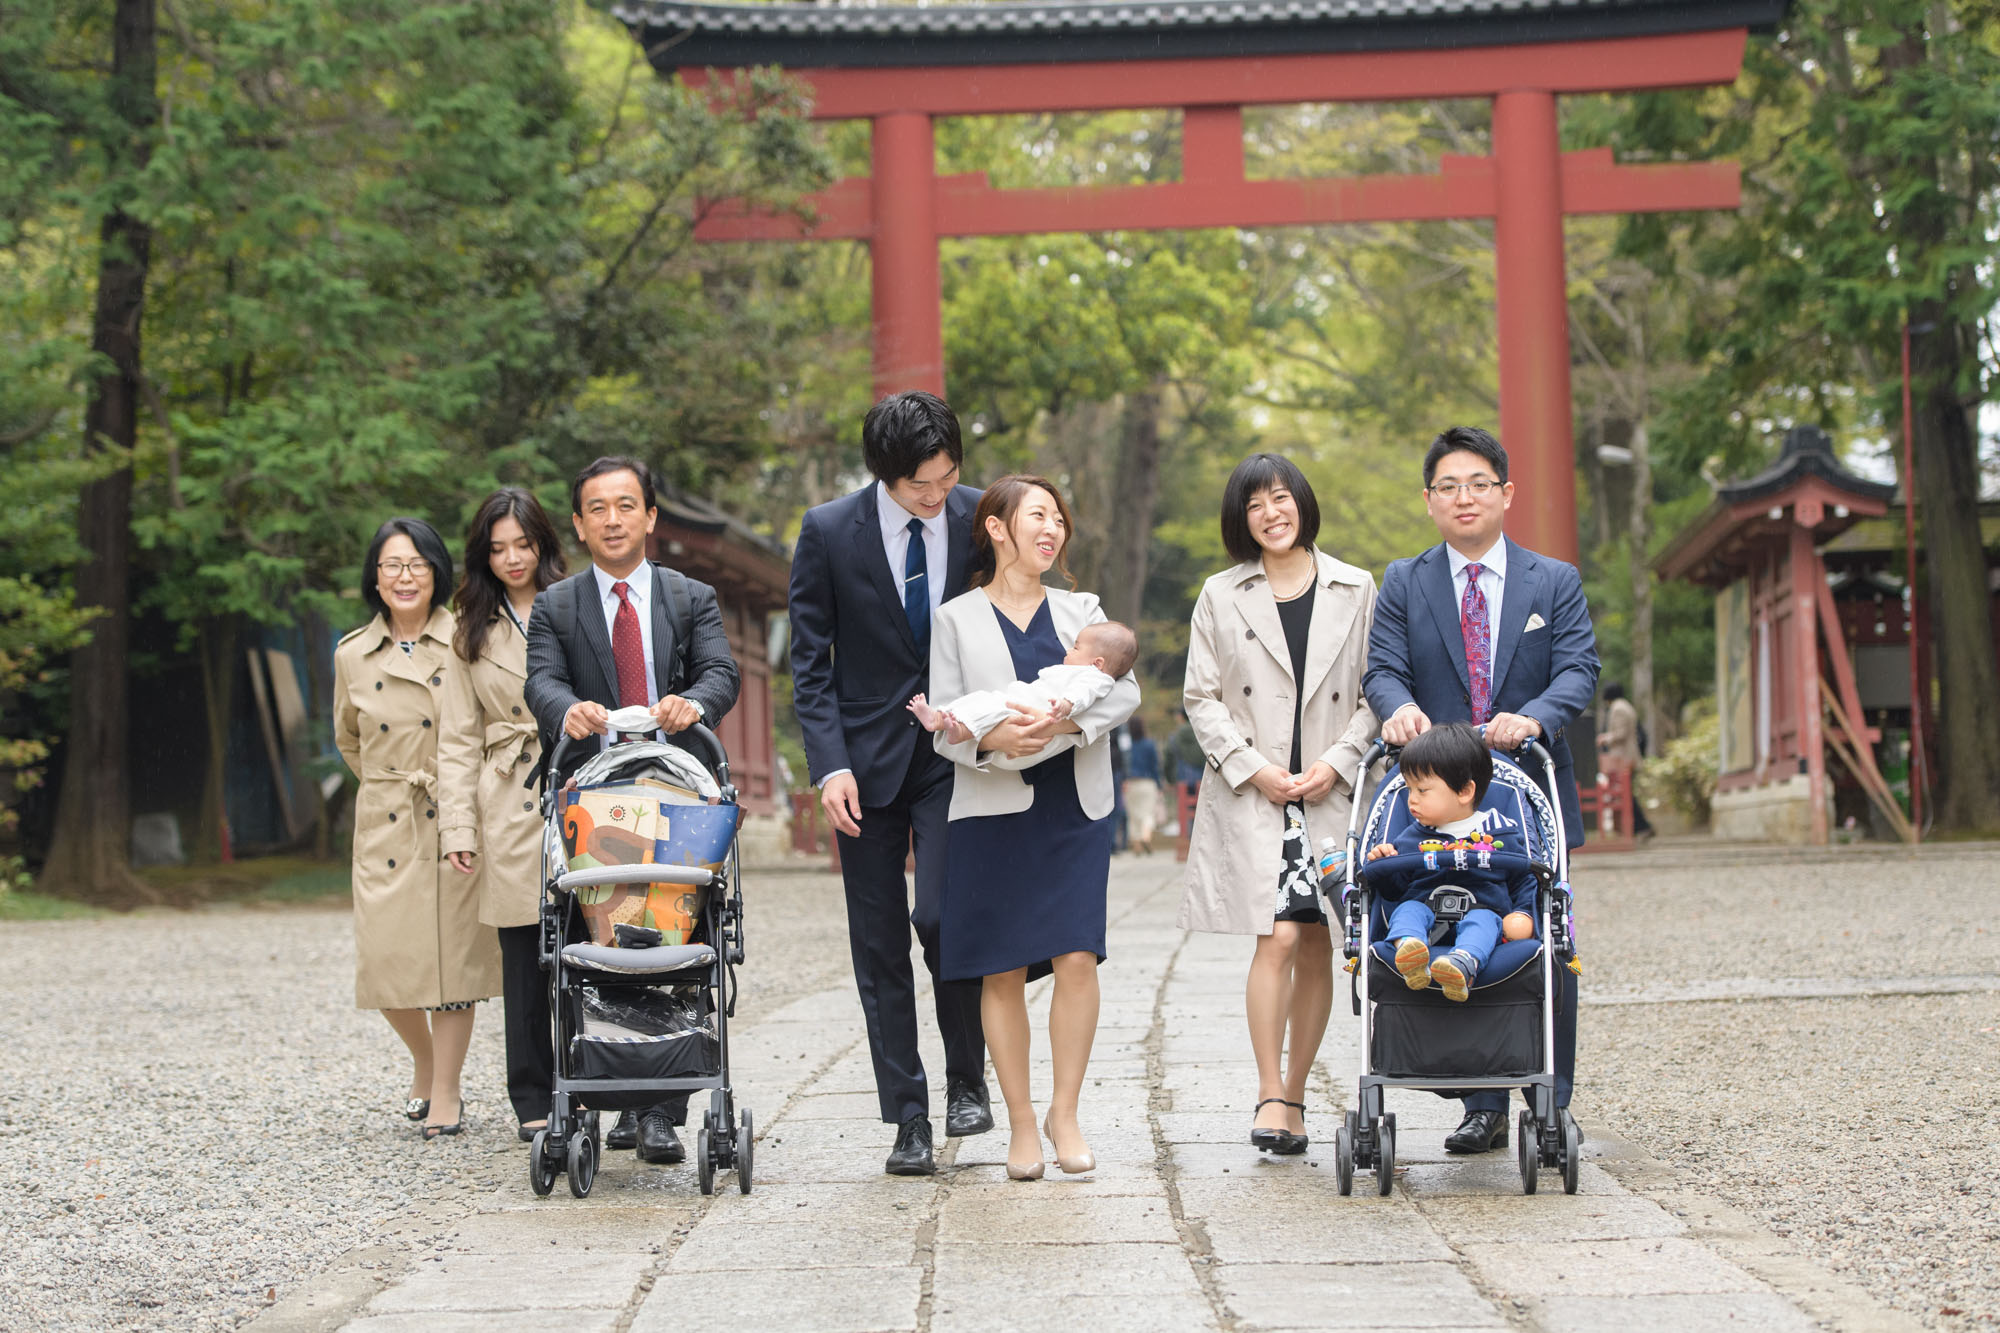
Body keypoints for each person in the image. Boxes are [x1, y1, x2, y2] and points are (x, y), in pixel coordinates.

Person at [1362, 424, 1599, 1155]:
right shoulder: (1405, 580)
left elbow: (1578, 670)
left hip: (1524, 790)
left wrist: (1534, 717)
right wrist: (1397, 705)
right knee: (1438, 922)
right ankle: (1481, 1100)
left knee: (1540, 932)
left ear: (1506, 493)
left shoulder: (1552, 581)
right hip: (1432, 795)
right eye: (1448, 486)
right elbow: (1382, 668)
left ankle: (1549, 1101)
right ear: (1429, 500)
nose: (1464, 497)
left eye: (1478, 484)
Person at [787, 391, 991, 1177]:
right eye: (918, 486)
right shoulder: (829, 531)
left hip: (952, 755)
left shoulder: (982, 517)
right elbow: (810, 661)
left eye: (945, 477)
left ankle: (967, 1077)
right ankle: (907, 1113)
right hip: (861, 766)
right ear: (883, 474)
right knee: (877, 945)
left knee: (943, 917)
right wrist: (828, 765)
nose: (935, 495)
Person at [522, 456, 741, 1167]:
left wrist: (694, 703)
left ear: (650, 515)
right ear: (579, 524)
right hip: (594, 793)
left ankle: (660, 1108)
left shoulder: (689, 596)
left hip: (676, 790)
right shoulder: (556, 605)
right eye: (597, 508)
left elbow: (720, 671)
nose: (613, 519)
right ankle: (605, 1086)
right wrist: (569, 711)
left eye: (626, 505)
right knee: (600, 931)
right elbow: (542, 682)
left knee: (671, 931)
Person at [931, 475, 1140, 1180]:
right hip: (993, 807)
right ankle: (1021, 1123)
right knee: (1003, 968)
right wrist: (991, 745)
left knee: (1079, 955)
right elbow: (945, 727)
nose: (1052, 530)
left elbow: (1126, 688)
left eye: (1058, 519)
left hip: (1075, 806)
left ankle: (1065, 1112)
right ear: (996, 527)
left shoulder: (1081, 607)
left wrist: (1071, 721)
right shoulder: (955, 617)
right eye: (1037, 517)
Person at [1179, 453, 1380, 1157]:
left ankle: (1295, 1091)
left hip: (1328, 790)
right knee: (1280, 934)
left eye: (1282, 497)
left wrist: (1337, 761)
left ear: (1303, 502)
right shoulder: (1220, 593)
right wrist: (1253, 767)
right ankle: (1271, 1090)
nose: (1271, 512)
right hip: (1260, 791)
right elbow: (1199, 696)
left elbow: (1375, 690)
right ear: (1242, 518)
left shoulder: (1357, 587)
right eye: (1256, 503)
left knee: (1321, 937)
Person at [333, 517, 502, 1140]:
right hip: (386, 823)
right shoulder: (351, 653)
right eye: (391, 566)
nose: (405, 577)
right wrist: (389, 785)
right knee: (385, 965)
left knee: (454, 964)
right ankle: (425, 1062)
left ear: (437, 573)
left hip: (454, 814)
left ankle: (447, 1093)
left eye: (417, 565)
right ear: (374, 578)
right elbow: (348, 740)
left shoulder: (464, 639)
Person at [437, 488, 568, 1144]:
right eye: (498, 548)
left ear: (543, 543)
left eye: (523, 543)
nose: (513, 558)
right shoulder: (470, 629)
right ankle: (531, 1094)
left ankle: (601, 1079)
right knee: (522, 952)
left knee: (594, 939)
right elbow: (458, 737)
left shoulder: (575, 604)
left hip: (575, 777)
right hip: (508, 791)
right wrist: (458, 826)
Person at [1364, 724, 1538, 1001]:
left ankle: (1462, 963)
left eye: (1422, 790)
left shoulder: (1501, 833)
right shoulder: (1412, 837)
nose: (1412, 801)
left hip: (1483, 910)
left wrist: (1524, 914)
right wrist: (1384, 867)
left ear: (1465, 792)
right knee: (1407, 909)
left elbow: (1524, 878)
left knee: (1484, 921)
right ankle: (1410, 949)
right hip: (1425, 915)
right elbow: (1395, 892)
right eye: (1409, 790)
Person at [907, 618, 1136, 741]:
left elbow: (1083, 694)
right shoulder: (953, 615)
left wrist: (1066, 705)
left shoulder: (1095, 677)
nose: (1069, 650)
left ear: (1097, 662)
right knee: (982, 700)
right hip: (1021, 699)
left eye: (1076, 648)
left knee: (990, 709)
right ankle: (944, 719)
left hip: (1033, 709)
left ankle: (951, 726)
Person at [1596, 681, 1653, 840]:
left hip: (1623, 757)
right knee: (1628, 794)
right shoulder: (1625, 705)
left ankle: (1642, 827)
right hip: (1628, 756)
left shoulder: (1618, 708)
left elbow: (1620, 733)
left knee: (1626, 794)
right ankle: (1638, 827)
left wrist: (1605, 739)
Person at [1123, 717, 1164, 855]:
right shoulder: (1149, 744)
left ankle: (1136, 845)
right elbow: (1155, 766)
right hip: (1147, 782)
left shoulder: (1127, 745)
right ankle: (1145, 837)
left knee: (1133, 815)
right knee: (1147, 813)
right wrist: (1159, 785)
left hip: (1130, 782)